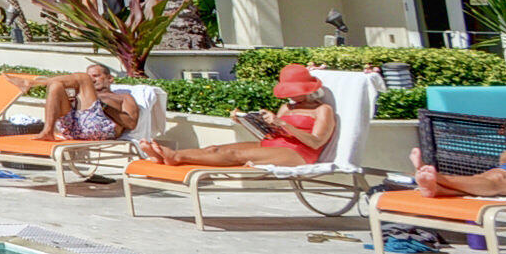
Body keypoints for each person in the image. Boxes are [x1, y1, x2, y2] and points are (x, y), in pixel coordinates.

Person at [139, 63, 336, 168]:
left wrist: (284, 125)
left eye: (295, 91)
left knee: (234, 155)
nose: (291, 96)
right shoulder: (287, 107)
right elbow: (270, 134)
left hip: (299, 153)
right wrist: (247, 122)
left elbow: (316, 142)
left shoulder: (322, 110)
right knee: (214, 149)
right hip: (273, 144)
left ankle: (175, 156)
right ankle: (170, 157)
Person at [29, 62, 141, 143]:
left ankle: (33, 83)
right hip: (71, 129)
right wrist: (71, 102)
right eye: (90, 77)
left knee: (83, 78)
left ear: (110, 78)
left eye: (96, 76)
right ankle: (48, 131)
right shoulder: (82, 94)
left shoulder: (123, 97)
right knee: (56, 86)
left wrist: (103, 106)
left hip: (99, 130)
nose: (92, 80)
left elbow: (131, 123)